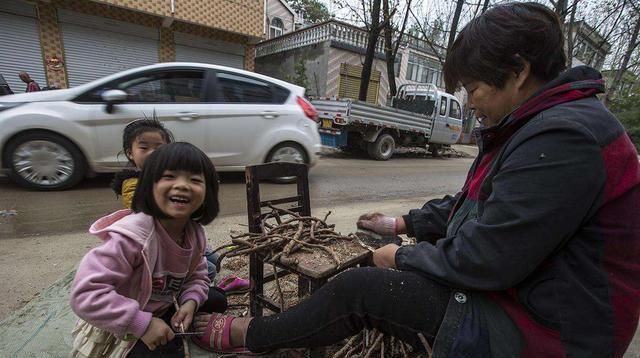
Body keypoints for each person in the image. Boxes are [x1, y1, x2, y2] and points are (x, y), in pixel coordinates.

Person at [189, 2, 640, 357]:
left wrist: (402, 259)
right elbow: (475, 207)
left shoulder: (566, 137)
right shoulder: (537, 125)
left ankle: (254, 334)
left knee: (359, 288)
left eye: (474, 88)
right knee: (375, 270)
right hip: (533, 297)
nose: (470, 104)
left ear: (519, 71)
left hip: (551, 332)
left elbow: (486, 260)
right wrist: (404, 224)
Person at [70, 142, 228, 357]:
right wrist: (142, 324)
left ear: (207, 193)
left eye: (195, 180)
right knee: (166, 351)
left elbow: (197, 275)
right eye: (169, 176)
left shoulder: (194, 234)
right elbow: (86, 294)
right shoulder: (132, 238)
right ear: (148, 187)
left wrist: (189, 302)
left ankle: (170, 320)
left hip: (160, 305)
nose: (182, 185)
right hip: (119, 321)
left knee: (217, 299)